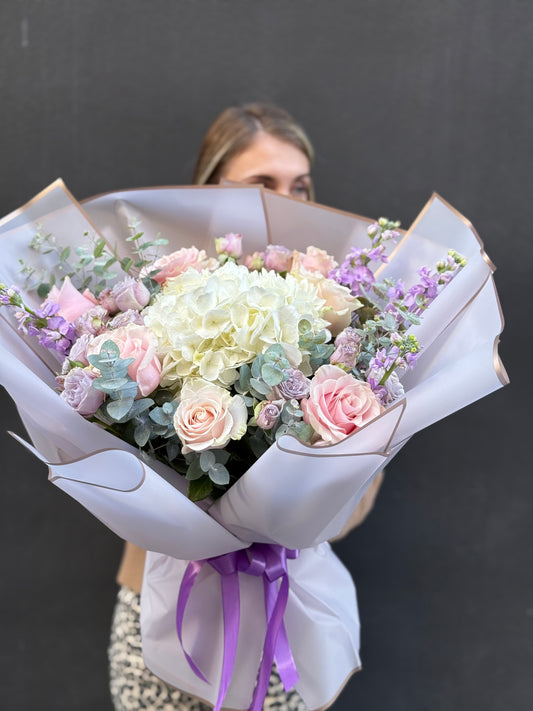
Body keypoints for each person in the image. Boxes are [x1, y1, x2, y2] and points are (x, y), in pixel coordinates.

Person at [109, 102, 384, 711]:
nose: (287, 203)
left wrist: (291, 511)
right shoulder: (148, 307)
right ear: (211, 192)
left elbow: (360, 499)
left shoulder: (341, 319)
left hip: (283, 617)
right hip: (163, 615)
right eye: (262, 186)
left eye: (300, 187)